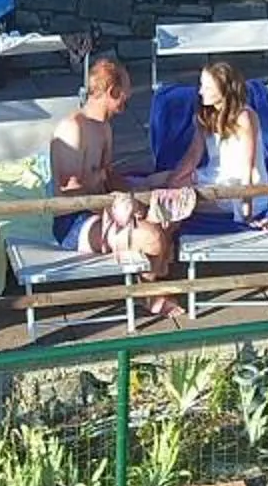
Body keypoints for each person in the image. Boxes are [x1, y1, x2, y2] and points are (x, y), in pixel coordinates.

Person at [51, 57, 177, 315]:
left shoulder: (104, 128)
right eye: (125, 94)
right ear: (112, 92)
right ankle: (149, 296)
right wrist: (112, 208)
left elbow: (108, 177)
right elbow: (67, 193)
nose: (127, 99)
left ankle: (152, 282)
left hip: (103, 212)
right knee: (151, 237)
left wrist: (134, 197)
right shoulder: (73, 129)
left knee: (169, 218)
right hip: (74, 222)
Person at [160, 59, 268, 228]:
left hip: (238, 188)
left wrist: (246, 214)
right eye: (201, 85)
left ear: (225, 90)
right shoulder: (208, 115)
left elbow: (248, 170)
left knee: (177, 200)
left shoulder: (244, 118)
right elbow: (193, 155)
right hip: (214, 176)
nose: (200, 91)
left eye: (208, 88)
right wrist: (173, 180)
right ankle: (116, 193)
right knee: (155, 182)